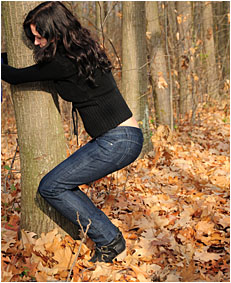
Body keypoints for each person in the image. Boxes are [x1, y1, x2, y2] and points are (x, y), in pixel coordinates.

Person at [1, 1, 143, 263]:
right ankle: (108, 238)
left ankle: (110, 240)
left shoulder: (63, 62)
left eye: (40, 34)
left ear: (56, 29)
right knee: (58, 184)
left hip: (117, 140)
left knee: (52, 186)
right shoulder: (79, 51)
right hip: (122, 137)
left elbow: (15, 76)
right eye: (32, 36)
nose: (36, 41)